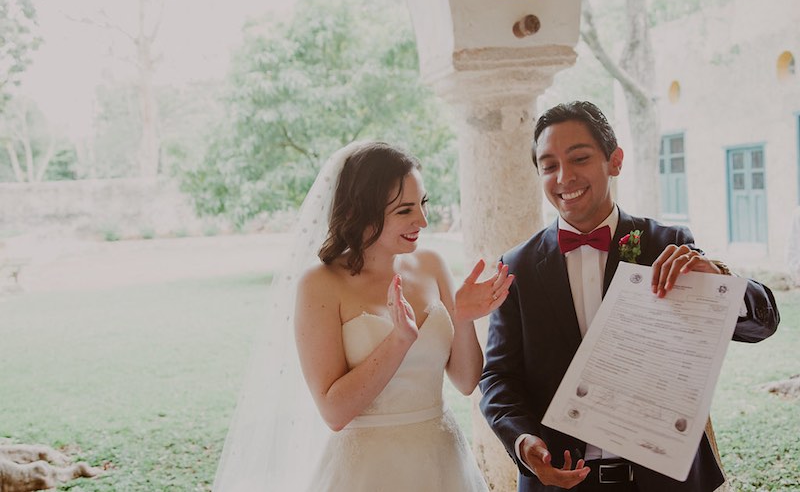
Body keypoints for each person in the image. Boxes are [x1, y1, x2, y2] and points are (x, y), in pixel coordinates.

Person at [479, 101, 780, 492]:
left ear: (614, 160)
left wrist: (718, 282)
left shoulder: (668, 245)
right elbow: (499, 377)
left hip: (667, 481)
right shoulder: (516, 266)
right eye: (549, 165)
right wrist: (522, 440)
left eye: (579, 158)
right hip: (561, 482)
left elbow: (764, 324)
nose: (564, 177)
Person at [213, 141, 513, 492]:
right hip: (367, 472)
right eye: (405, 210)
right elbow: (334, 413)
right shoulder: (320, 284)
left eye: (423, 204)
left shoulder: (433, 265)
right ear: (361, 213)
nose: (423, 220)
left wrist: (462, 317)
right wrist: (399, 341)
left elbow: (465, 382)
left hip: (442, 461)